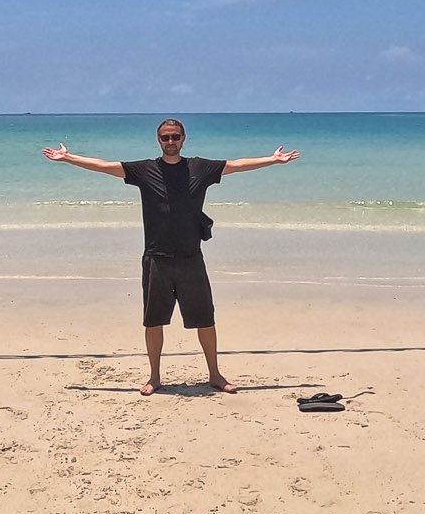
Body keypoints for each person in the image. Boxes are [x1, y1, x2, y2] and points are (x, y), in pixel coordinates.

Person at [42, 119, 300, 395]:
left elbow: (236, 165)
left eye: (175, 137)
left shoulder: (199, 168)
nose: (170, 142)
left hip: (191, 258)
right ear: (158, 140)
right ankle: (154, 377)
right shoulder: (145, 170)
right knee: (153, 321)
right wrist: (68, 158)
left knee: (205, 320)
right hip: (156, 258)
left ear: (184, 138)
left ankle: (214, 374)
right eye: (165, 138)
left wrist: (273, 160)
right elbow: (106, 166)